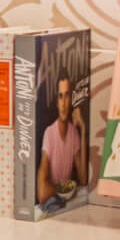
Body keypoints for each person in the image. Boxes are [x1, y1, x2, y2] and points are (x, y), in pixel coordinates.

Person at [39, 71, 87, 205]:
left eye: (67, 96)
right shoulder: (49, 133)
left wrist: (82, 131)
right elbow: (42, 193)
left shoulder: (74, 133)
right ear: (56, 102)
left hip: (68, 203)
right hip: (54, 203)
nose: (64, 104)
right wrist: (61, 189)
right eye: (60, 97)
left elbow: (83, 180)